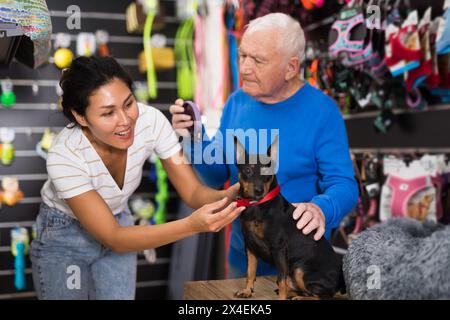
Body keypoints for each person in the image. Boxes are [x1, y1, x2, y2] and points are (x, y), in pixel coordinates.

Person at [30, 56, 244, 300]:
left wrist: (228, 196)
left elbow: (193, 192)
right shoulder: (64, 155)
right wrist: (192, 225)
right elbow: (114, 238)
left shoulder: (150, 121)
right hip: (65, 234)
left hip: (118, 218)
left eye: (128, 103)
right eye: (108, 113)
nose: (126, 120)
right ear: (80, 117)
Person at [170, 13, 359, 278]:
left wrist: (322, 208)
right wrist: (193, 137)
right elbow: (217, 174)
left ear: (291, 68)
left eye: (257, 60)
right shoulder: (237, 102)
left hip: (300, 267)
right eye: (243, 56)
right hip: (244, 260)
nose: (245, 68)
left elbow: (345, 185)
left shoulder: (323, 112)